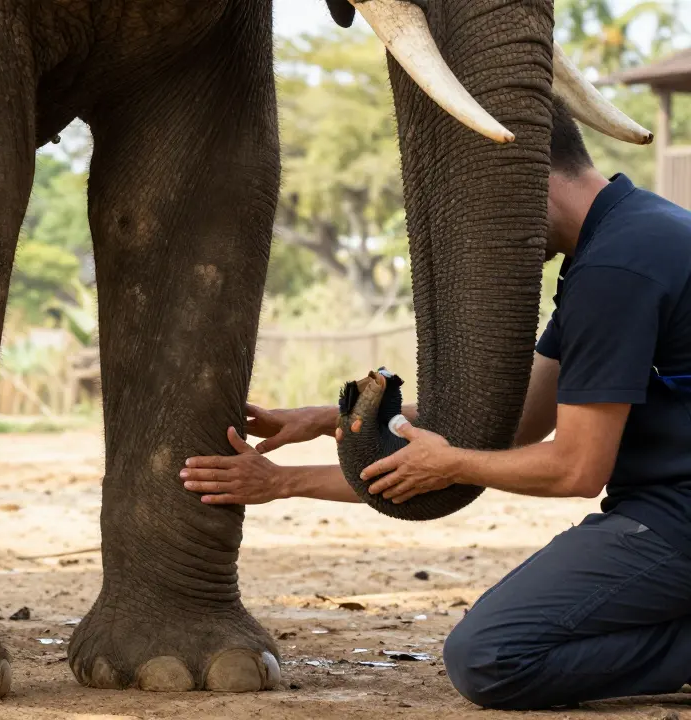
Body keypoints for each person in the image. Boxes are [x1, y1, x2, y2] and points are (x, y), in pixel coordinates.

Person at [182, 98, 691, 710]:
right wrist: (325, 426)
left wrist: (450, 465)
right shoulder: (636, 234)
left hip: (673, 520)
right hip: (670, 511)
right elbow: (509, 422)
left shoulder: (617, 269)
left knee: (492, 657)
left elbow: (575, 469)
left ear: (515, 178)